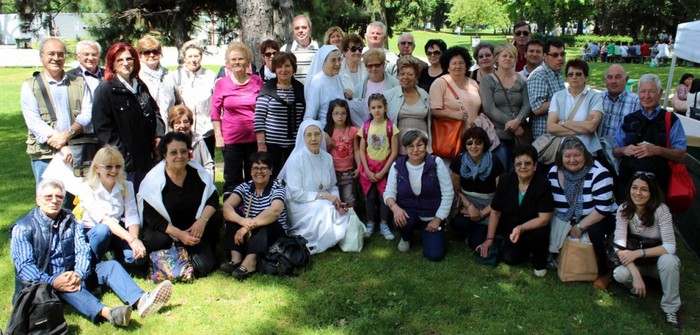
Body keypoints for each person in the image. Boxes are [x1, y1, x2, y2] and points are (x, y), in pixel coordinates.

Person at [10, 179, 172, 327]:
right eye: (48, 197)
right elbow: (25, 268)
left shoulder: (70, 219)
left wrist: (79, 273)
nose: (54, 200)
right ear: (38, 199)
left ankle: (142, 300)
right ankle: (110, 314)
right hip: (41, 287)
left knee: (110, 266)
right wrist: (53, 281)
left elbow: (82, 249)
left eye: (59, 197)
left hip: (70, 274)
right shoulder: (23, 227)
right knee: (68, 286)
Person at [139, 132, 221, 277]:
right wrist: (179, 235)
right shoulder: (153, 180)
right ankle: (165, 259)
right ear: (164, 155)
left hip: (193, 228)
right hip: (166, 230)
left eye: (184, 151)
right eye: (174, 152)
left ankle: (200, 250)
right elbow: (152, 218)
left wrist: (202, 221)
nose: (180, 156)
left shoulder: (197, 173)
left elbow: (213, 198)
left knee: (215, 217)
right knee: (158, 240)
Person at [92, 42, 165, 191]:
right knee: (128, 204)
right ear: (112, 63)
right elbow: (103, 128)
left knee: (146, 199)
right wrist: (120, 156)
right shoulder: (105, 89)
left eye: (129, 59)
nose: (125, 63)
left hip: (146, 158)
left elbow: (155, 111)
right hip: (124, 163)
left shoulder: (139, 85)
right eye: (120, 60)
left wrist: (159, 135)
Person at [612, 172, 681, 328]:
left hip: (658, 263)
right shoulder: (624, 209)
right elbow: (619, 246)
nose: (638, 193)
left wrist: (638, 253)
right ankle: (639, 284)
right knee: (619, 274)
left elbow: (670, 246)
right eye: (634, 188)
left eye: (644, 189)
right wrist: (635, 275)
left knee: (670, 261)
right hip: (637, 264)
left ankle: (671, 308)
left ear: (652, 192)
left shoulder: (661, 210)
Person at [548, 137, 617, 289]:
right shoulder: (554, 172)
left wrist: (578, 226)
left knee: (595, 232)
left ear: (585, 155)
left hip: (599, 217)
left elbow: (603, 209)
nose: (572, 160)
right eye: (567, 156)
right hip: (565, 215)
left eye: (577, 155)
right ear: (561, 157)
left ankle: (604, 272)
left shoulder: (599, 173)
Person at [21, 37, 91, 184]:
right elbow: (34, 122)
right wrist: (62, 145)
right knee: (49, 199)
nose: (56, 58)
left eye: (60, 54)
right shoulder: (30, 86)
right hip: (45, 155)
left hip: (77, 151)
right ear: (41, 56)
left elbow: (87, 113)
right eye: (51, 54)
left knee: (78, 202)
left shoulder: (79, 83)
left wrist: (68, 134)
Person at [476, 145, 553, 276]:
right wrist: (489, 239)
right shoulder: (505, 180)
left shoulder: (543, 184)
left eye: (528, 163)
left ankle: (539, 259)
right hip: (511, 230)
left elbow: (544, 219)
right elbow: (495, 211)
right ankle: (523, 250)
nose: (523, 167)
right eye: (519, 164)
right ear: (514, 166)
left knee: (540, 234)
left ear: (535, 166)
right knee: (509, 259)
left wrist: (521, 228)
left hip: (534, 228)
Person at [279, 120, 350, 254]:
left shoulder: (327, 158)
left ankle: (332, 238)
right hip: (300, 204)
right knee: (325, 209)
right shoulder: (295, 160)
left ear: (322, 136)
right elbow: (296, 194)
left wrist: (336, 200)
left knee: (342, 211)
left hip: (324, 200)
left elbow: (332, 186)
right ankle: (325, 241)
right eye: (309, 135)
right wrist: (325, 197)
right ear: (302, 137)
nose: (313, 139)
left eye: (317, 134)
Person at [384, 129, 453, 260]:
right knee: (400, 220)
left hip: (432, 217)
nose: (415, 150)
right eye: (411, 146)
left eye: (420, 145)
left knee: (435, 255)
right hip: (408, 214)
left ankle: (430, 232)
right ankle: (406, 237)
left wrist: (438, 219)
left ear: (426, 146)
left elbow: (448, 193)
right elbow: (388, 192)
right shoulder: (397, 166)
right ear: (405, 148)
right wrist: (395, 208)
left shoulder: (436, 163)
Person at [614, 74, 687, 197]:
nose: (646, 96)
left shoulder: (670, 120)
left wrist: (657, 150)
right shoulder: (629, 119)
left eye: (651, 91)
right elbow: (615, 151)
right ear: (638, 93)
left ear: (660, 93)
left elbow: (681, 155)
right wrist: (624, 150)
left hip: (658, 187)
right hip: (629, 186)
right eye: (643, 91)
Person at [221, 152, 286, 280]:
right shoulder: (245, 187)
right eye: (255, 168)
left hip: (272, 235)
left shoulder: (277, 187)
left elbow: (275, 211)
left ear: (271, 171)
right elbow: (226, 207)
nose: (259, 172)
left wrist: (248, 226)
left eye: (263, 168)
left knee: (266, 222)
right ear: (250, 171)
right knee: (233, 215)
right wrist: (242, 221)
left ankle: (250, 262)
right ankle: (236, 259)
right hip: (250, 234)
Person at [77, 147, 145, 266]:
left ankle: (114, 259)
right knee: (103, 230)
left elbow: (132, 215)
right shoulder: (86, 187)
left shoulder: (126, 186)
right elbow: (105, 220)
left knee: (136, 258)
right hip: (93, 231)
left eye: (118, 166)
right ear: (97, 168)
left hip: (117, 231)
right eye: (108, 166)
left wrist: (135, 241)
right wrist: (131, 240)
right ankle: (92, 262)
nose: (114, 170)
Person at [211, 42, 263, 196]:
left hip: (253, 139)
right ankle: (231, 214)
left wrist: (262, 140)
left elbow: (263, 109)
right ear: (228, 63)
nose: (237, 62)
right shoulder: (222, 84)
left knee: (253, 177)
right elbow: (215, 112)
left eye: (241, 59)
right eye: (233, 60)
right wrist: (218, 137)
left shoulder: (257, 81)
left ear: (248, 61)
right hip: (231, 140)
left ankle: (252, 210)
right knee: (232, 179)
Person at [450, 127, 505, 250]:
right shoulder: (459, 161)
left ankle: (479, 230)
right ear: (465, 145)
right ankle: (469, 229)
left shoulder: (495, 162)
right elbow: (456, 190)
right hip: (468, 204)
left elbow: (500, 195)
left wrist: (481, 213)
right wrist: (469, 206)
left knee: (475, 243)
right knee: (458, 224)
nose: (473, 146)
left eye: (478, 142)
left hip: (489, 206)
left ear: (484, 144)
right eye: (469, 143)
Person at [480, 43, 531, 171]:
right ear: (496, 58)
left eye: (511, 56)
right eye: (504, 56)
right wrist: (512, 125)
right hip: (498, 135)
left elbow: (527, 105)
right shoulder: (488, 80)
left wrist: (518, 121)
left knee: (518, 171)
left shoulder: (522, 80)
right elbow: (489, 108)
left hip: (519, 137)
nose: (508, 59)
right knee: (501, 173)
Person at [255, 51, 305, 176]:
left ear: (293, 68)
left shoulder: (301, 90)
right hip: (272, 145)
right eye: (279, 66)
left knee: (294, 177)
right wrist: (261, 144)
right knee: (273, 177)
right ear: (275, 69)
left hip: (295, 145)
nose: (283, 70)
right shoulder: (267, 89)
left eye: (287, 66)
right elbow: (259, 118)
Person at [358, 93, 399, 240]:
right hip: (368, 170)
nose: (377, 110)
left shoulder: (390, 127)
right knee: (370, 196)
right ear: (369, 109)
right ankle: (370, 224)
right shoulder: (366, 127)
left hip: (384, 169)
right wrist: (367, 171)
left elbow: (394, 152)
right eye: (373, 107)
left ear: (385, 108)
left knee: (384, 197)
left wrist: (383, 172)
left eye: (380, 107)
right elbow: (362, 150)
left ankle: (383, 224)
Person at [430, 46, 480, 162]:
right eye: (453, 63)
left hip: (473, 140)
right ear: (447, 67)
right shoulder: (440, 83)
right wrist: (454, 114)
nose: (457, 66)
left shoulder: (473, 83)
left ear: (466, 65)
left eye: (461, 63)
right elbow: (433, 110)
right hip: (451, 139)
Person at [171, 40, 217, 159]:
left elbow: (216, 102)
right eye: (190, 56)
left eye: (196, 56)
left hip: (206, 130)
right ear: (184, 58)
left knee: (207, 163)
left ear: (201, 57)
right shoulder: (175, 76)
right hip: (184, 129)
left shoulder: (210, 76)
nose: (193, 59)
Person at [546, 59, 603, 155]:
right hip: (562, 151)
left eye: (578, 74)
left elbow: (591, 126)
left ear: (586, 77)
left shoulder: (595, 97)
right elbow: (550, 127)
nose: (574, 77)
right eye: (570, 74)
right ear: (567, 78)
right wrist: (582, 128)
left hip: (586, 151)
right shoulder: (558, 96)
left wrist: (563, 122)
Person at [384, 55, 431, 155]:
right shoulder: (389, 95)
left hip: (421, 147)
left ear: (416, 76)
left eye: (410, 74)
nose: (405, 77)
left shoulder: (424, 94)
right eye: (402, 74)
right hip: (398, 148)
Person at [304, 45, 354, 127]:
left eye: (339, 59)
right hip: (326, 131)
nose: (337, 64)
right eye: (333, 60)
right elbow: (309, 117)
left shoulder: (336, 77)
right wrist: (324, 135)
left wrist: (348, 95)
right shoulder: (317, 83)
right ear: (323, 62)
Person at [527, 38, 566, 140]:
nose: (560, 58)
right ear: (545, 56)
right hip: (544, 137)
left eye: (562, 54)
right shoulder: (539, 75)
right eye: (555, 55)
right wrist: (563, 98)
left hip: (558, 133)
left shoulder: (557, 73)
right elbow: (537, 109)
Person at [324, 99, 360, 208]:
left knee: (348, 198)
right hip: (333, 172)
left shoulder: (353, 131)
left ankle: (351, 221)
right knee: (335, 199)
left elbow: (357, 150)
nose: (340, 116)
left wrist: (359, 167)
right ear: (331, 114)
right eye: (336, 113)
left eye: (343, 113)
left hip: (348, 172)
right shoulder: (328, 132)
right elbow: (325, 153)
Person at [136, 36, 177, 126]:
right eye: (147, 52)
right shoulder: (136, 77)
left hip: (170, 128)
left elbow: (178, 101)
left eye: (155, 51)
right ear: (139, 55)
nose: (152, 55)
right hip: (148, 128)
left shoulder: (169, 74)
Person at [598, 64, 641, 146]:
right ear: (605, 80)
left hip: (621, 154)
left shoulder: (636, 102)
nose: (613, 81)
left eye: (618, 77)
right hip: (597, 151)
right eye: (610, 77)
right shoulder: (597, 98)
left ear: (626, 79)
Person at [168, 104, 214, 179]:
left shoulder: (198, 140)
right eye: (178, 123)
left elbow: (208, 164)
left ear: (191, 122)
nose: (182, 126)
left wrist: (206, 181)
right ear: (172, 125)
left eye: (185, 121)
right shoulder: (168, 144)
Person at [281, 14, 319, 83]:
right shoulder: (285, 49)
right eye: (297, 28)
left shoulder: (320, 48)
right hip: (294, 92)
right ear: (293, 30)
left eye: (304, 27)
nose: (300, 30)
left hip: (316, 92)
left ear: (310, 29)